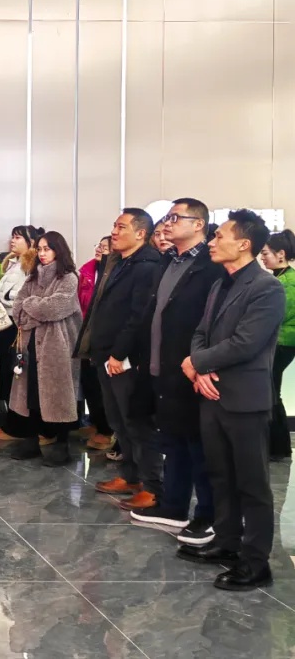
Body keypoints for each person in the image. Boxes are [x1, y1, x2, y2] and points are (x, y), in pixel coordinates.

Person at [179, 210, 286, 592]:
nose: (212, 241)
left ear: (244, 243)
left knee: (252, 484)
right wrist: (199, 369)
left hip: (245, 399)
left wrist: (197, 364)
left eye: (219, 235)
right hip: (211, 395)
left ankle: (256, 562)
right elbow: (201, 332)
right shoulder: (219, 284)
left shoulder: (266, 288)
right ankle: (226, 542)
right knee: (221, 475)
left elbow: (246, 343)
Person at [130, 199, 224, 540]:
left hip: (192, 368)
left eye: (174, 217)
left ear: (198, 224)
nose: (166, 223)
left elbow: (214, 322)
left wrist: (203, 362)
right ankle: (173, 507)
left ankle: (208, 515)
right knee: (173, 442)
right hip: (162, 366)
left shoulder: (211, 265)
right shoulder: (168, 260)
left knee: (199, 447)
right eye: (166, 218)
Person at [77, 208, 163, 502]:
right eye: (114, 226)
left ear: (140, 233)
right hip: (106, 354)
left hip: (125, 358)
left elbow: (139, 316)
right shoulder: (119, 262)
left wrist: (119, 353)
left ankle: (152, 486)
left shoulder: (147, 265)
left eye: (121, 227)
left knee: (136, 422)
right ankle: (130, 476)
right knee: (119, 421)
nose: (114, 232)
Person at [8, 232, 82, 467]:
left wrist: (31, 305)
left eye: (47, 249)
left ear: (58, 250)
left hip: (57, 346)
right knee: (30, 392)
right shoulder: (32, 278)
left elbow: (55, 307)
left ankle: (62, 444)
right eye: (39, 249)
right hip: (30, 343)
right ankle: (32, 439)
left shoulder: (68, 278)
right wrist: (34, 309)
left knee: (59, 393)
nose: (42, 253)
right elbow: (17, 309)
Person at [0, 225, 44, 442]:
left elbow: (21, 296)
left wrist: (6, 298)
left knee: (17, 373)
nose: (13, 241)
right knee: (7, 371)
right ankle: (10, 419)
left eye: (18, 238)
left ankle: (19, 425)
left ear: (30, 242)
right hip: (5, 324)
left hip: (18, 325)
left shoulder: (30, 265)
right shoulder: (13, 263)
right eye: (12, 237)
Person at [261, 229, 295, 460]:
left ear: (281, 254)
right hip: (281, 342)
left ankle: (278, 447)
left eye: (265, 253)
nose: (262, 258)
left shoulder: (286, 282)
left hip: (281, 343)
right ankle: (278, 447)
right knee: (272, 391)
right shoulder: (281, 279)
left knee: (271, 392)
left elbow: (277, 316)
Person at [76, 236, 113, 446]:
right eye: (98, 245)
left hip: (103, 334)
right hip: (85, 332)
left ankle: (107, 429)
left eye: (105, 247)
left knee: (102, 386)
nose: (99, 249)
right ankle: (97, 422)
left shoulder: (116, 272)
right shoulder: (87, 270)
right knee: (88, 382)